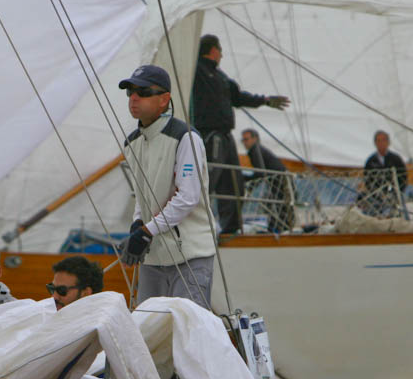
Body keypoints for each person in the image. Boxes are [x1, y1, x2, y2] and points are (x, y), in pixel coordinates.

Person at [117, 64, 216, 306]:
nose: (134, 98)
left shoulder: (185, 137)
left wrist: (146, 231)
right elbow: (141, 194)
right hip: (153, 258)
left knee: (185, 326)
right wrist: (137, 224)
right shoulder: (132, 143)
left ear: (164, 99)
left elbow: (188, 197)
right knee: (148, 326)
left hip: (190, 255)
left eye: (143, 92)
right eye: (130, 92)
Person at [192, 34, 289, 234]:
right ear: (214, 50)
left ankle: (230, 230)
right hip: (211, 135)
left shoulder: (221, 77)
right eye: (220, 51)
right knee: (209, 180)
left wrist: (265, 100)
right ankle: (194, 225)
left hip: (225, 137)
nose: (222, 55)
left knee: (234, 184)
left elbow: (238, 97)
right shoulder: (195, 71)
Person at [241, 128, 293, 232]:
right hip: (280, 180)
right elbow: (261, 173)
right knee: (278, 206)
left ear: (255, 139)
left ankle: (280, 229)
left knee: (278, 205)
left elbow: (260, 173)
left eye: (246, 139)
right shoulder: (258, 149)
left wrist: (245, 180)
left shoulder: (255, 150)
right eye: (243, 140)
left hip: (280, 181)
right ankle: (281, 228)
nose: (244, 143)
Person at [358, 130, 407, 217]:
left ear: (388, 142)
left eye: (384, 140)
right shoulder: (371, 161)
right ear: (375, 143)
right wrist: (377, 193)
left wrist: (396, 192)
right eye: (378, 140)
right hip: (376, 195)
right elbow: (367, 179)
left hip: (394, 194)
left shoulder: (396, 159)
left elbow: (403, 177)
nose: (381, 143)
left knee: (401, 210)